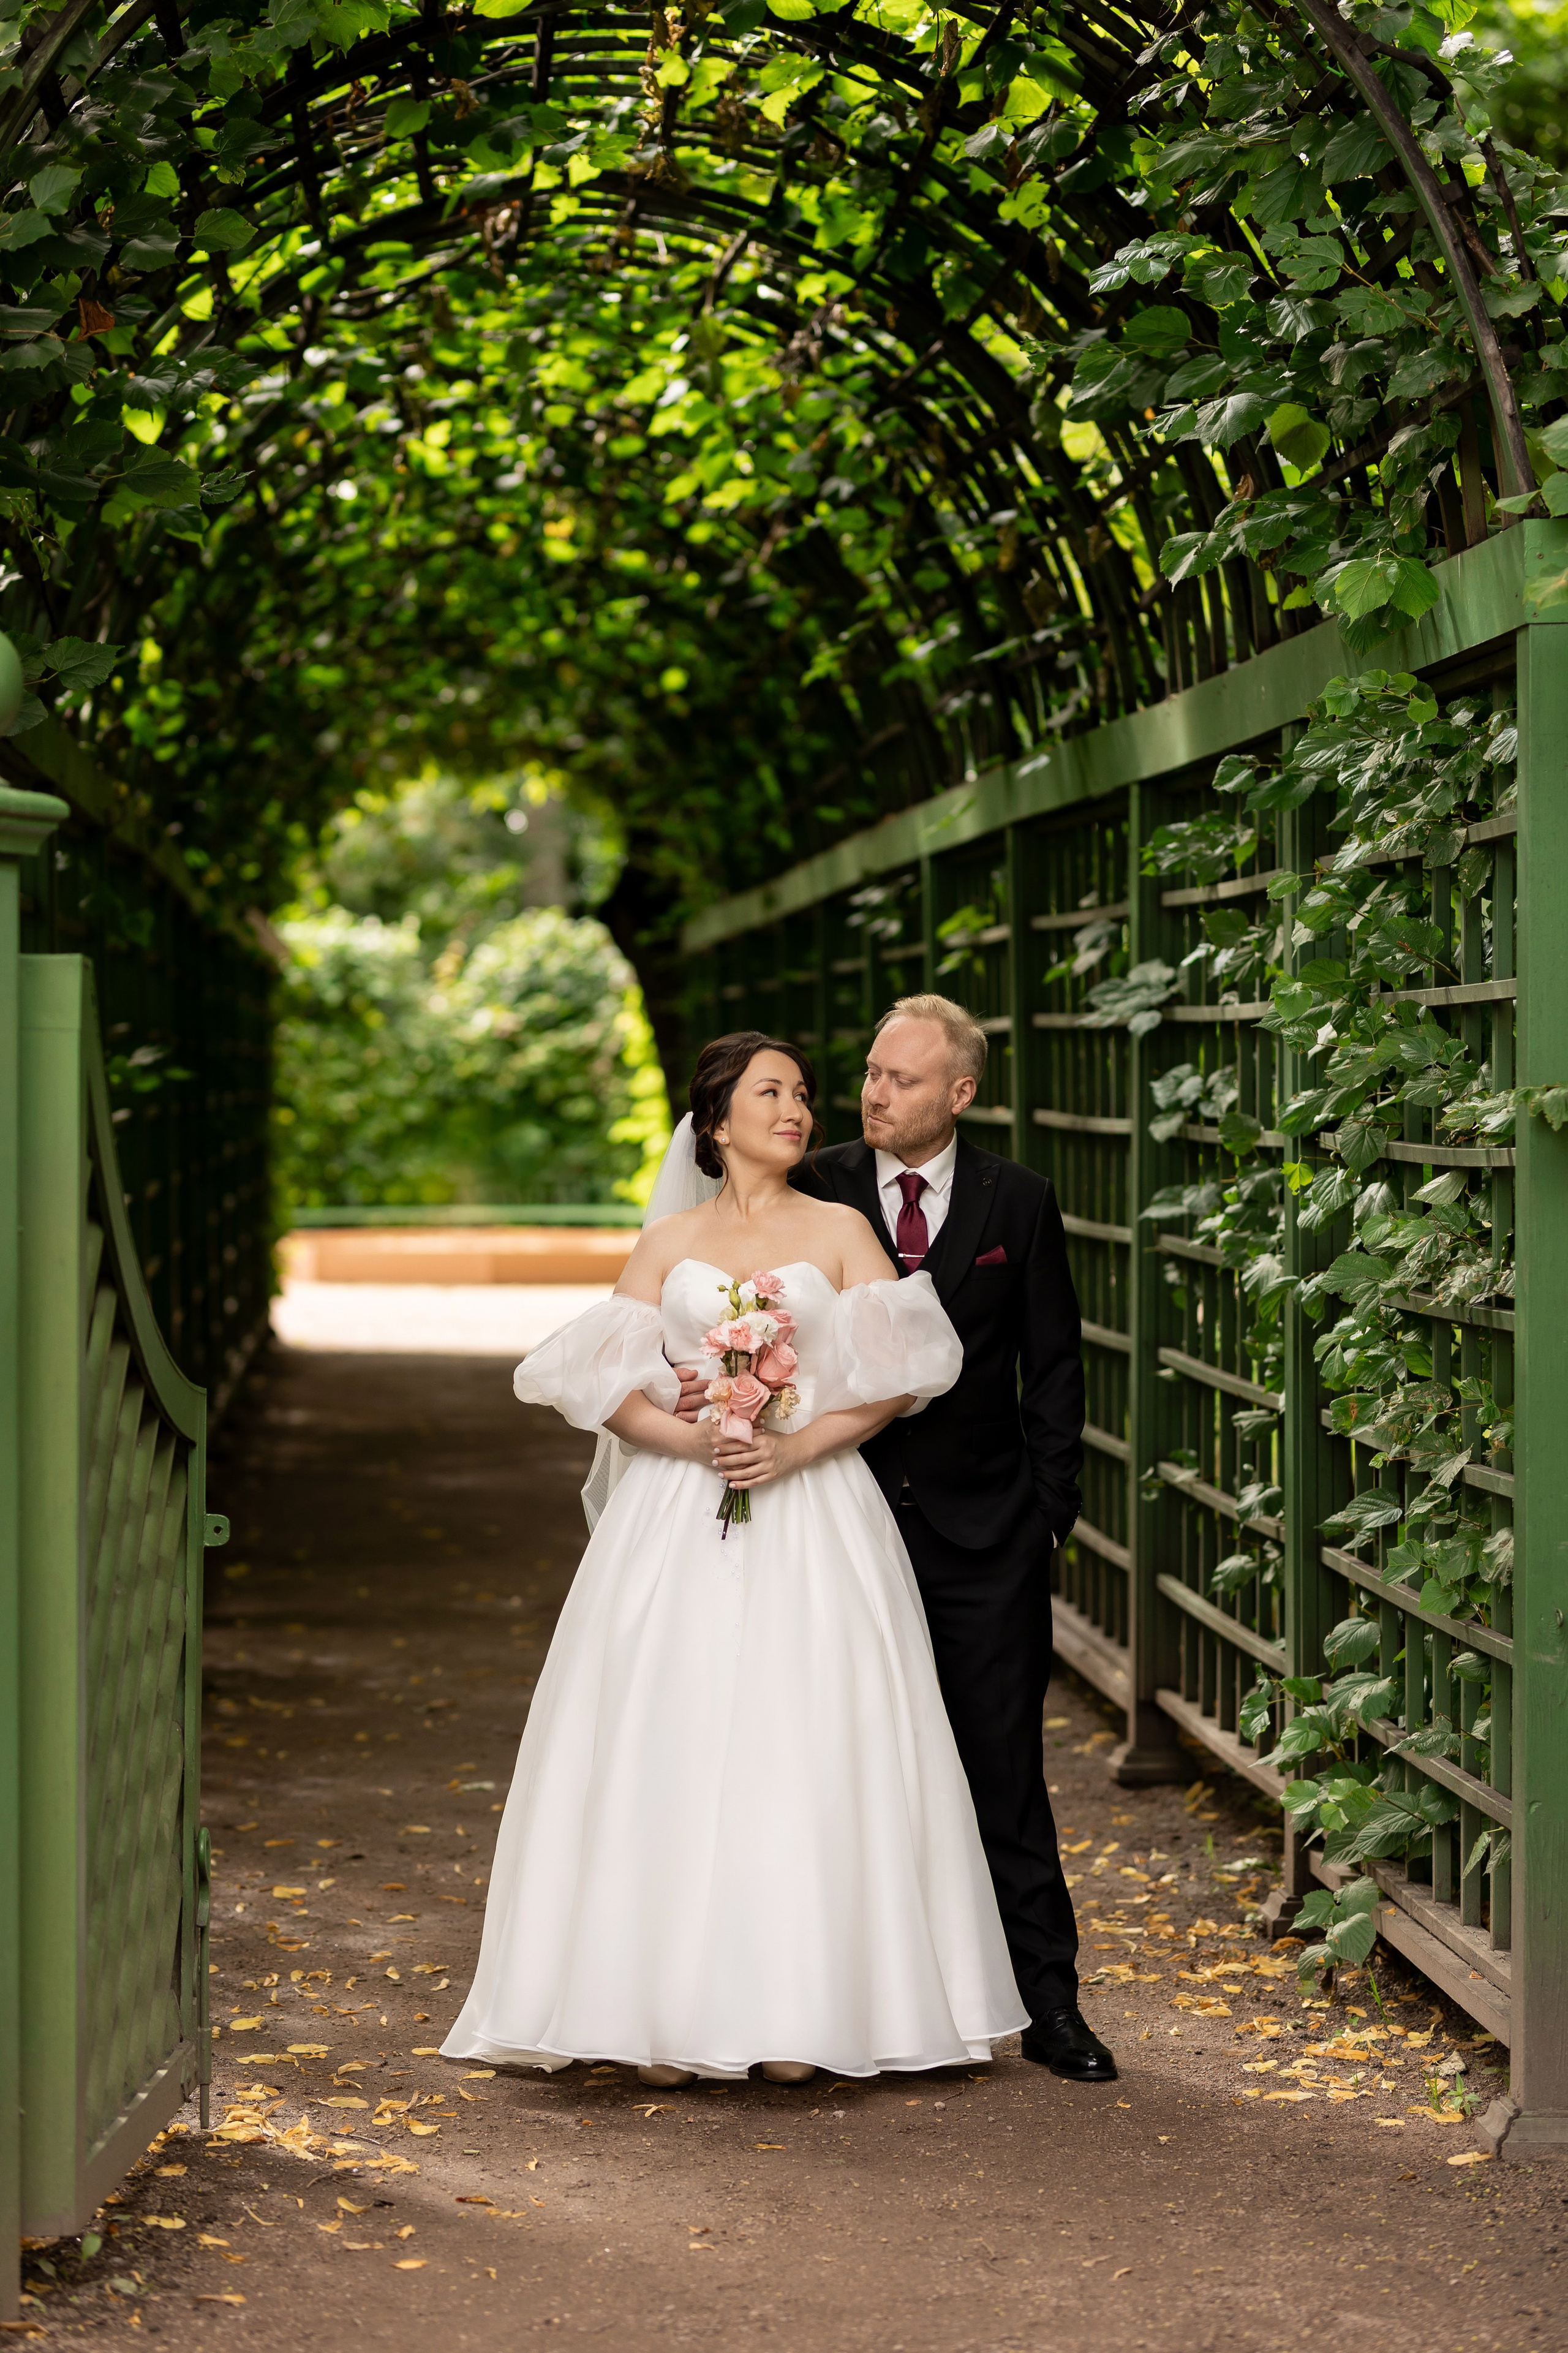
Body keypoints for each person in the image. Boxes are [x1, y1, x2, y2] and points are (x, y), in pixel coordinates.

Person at [442, 1030, 1028, 2088]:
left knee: (807, 1736)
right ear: (716, 1122)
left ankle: (807, 2006)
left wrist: (793, 1441)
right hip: (677, 1514)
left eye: (804, 1093)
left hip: (815, 1507)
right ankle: (657, 2008)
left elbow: (903, 1373)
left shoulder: (843, 1228)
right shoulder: (666, 1243)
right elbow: (602, 1387)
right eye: (773, 1092)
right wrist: (695, 1436)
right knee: (670, 1731)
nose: (798, 1109)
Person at [708, 992, 1113, 2084]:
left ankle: (1049, 2007)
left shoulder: (1017, 1201)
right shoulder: (817, 1182)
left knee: (1002, 1770)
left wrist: (1045, 1516)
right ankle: (853, 2003)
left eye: (901, 1078)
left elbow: (1053, 1367)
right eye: (872, 1073)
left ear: (959, 1094)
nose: (872, 1092)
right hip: (828, 1529)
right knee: (835, 1770)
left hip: (984, 1538)